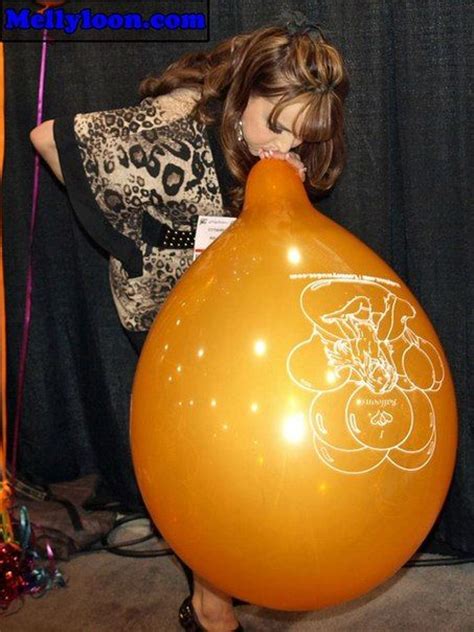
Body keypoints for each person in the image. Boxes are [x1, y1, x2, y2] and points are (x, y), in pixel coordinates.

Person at [30, 13, 348, 632]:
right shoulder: (182, 117)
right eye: (277, 129)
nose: (286, 148)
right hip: (169, 314)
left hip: (240, 307)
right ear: (242, 97)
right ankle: (209, 605)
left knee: (252, 453)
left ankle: (234, 570)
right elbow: (47, 138)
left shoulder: (287, 141)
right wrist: (145, 238)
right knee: (209, 465)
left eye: (303, 138)